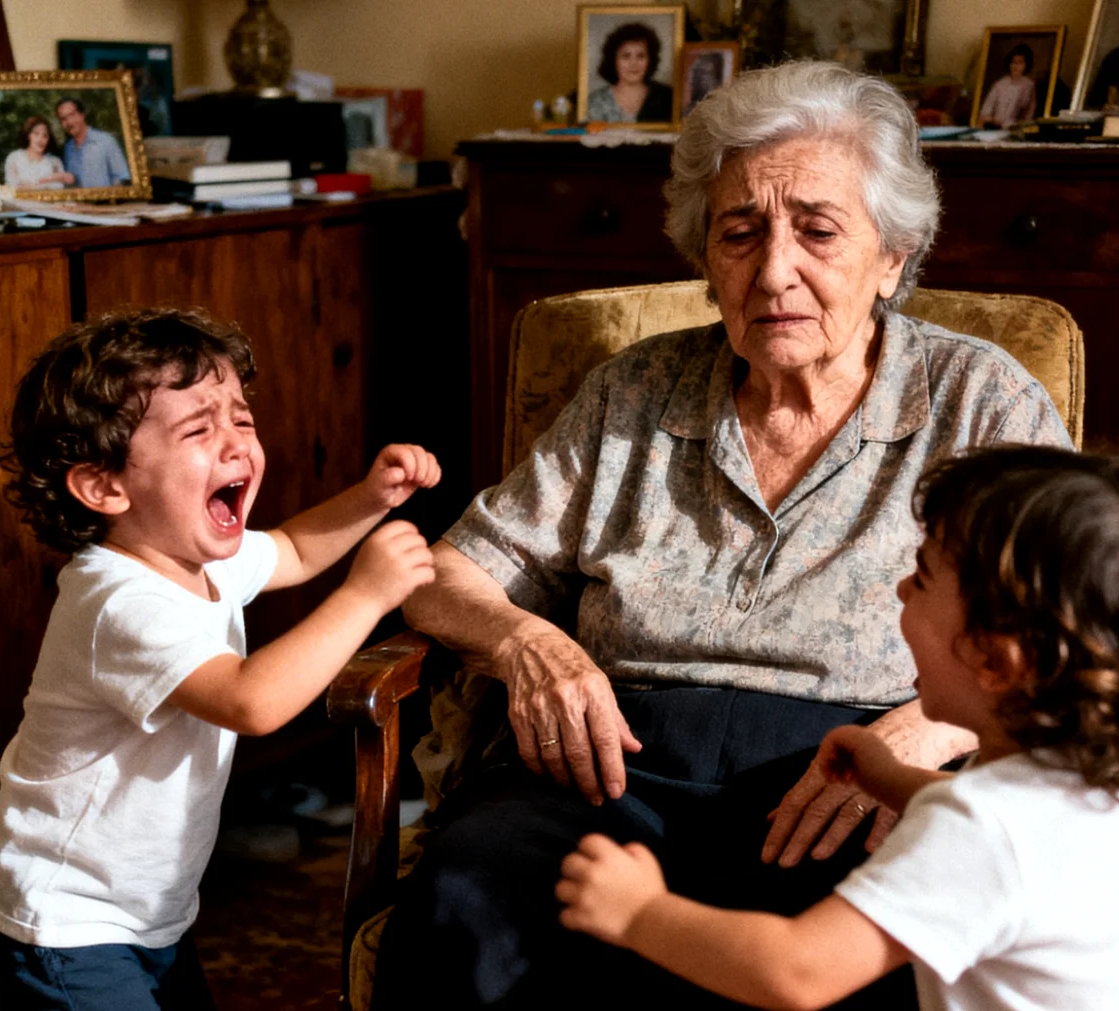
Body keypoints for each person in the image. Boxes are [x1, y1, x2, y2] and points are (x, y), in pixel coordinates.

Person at [373, 61, 1071, 1009]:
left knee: (857, 946)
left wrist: (927, 733)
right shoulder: (634, 391)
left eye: (818, 230)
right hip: (606, 765)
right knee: (467, 892)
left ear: (894, 256)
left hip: (848, 776)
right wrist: (526, 640)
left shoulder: (978, 401)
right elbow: (438, 572)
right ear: (706, 257)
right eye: (740, 232)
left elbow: (1071, 630)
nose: (774, 269)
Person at [557, 445, 1119, 1010]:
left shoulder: (981, 828)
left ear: (997, 658)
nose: (902, 588)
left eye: (924, 577)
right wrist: (893, 778)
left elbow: (796, 969)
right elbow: (1036, 849)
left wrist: (640, 912)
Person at [0, 307, 442, 1009]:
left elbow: (296, 549)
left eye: (241, 419)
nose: (236, 444)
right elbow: (252, 701)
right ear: (104, 486)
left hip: (145, 912)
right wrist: (366, 597)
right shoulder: (118, 599)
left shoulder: (193, 553)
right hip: (63, 919)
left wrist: (371, 499)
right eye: (198, 429)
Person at [585, 22, 674, 123]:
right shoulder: (595, 101)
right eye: (626, 56)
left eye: (641, 56)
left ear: (650, 60)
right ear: (613, 60)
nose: (633, 64)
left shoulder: (666, 98)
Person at [56, 96, 131, 188]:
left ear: (82, 115)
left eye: (72, 115)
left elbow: (122, 178)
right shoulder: (68, 148)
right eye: (63, 119)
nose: (69, 122)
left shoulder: (106, 141)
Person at [1, 115, 73, 189]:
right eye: (36, 134)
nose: (40, 139)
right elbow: (11, 189)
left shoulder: (55, 162)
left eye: (45, 135)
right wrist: (47, 179)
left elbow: (61, 190)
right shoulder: (14, 158)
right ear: (28, 135)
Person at [976, 44, 1038, 128]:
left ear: (1026, 64)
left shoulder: (1029, 85)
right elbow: (985, 111)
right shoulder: (999, 84)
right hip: (994, 126)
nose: (1016, 66)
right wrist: (991, 120)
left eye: (1020, 62)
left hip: (1015, 129)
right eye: (1013, 62)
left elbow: (1029, 112)